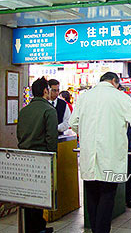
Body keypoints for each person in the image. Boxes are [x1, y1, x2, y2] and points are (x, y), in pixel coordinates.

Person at [69, 72, 131, 233]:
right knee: (107, 198)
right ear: (114, 81)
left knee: (92, 198)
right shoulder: (120, 97)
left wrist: (86, 132)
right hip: (110, 158)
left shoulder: (84, 97)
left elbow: (73, 123)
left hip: (89, 159)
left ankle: (95, 230)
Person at [17, 77, 58, 233]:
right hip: (41, 159)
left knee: (27, 195)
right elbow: (51, 138)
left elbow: (19, 134)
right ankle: (38, 228)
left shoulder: (24, 110)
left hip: (23, 157)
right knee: (40, 195)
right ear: (45, 91)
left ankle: (31, 227)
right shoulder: (49, 110)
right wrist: (53, 159)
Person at [118, 85, 131, 208]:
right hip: (115, 145)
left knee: (129, 172)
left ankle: (128, 197)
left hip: (128, 145)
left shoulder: (129, 103)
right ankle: (118, 199)